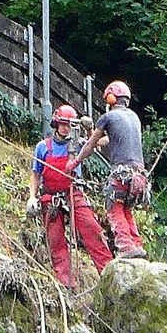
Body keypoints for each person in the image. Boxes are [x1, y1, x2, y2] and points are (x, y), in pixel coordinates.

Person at [27, 104, 113, 288]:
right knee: (56, 240)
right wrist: (32, 197)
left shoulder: (79, 144)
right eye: (63, 124)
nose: (66, 129)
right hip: (50, 197)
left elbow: (101, 141)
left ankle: (109, 274)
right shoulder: (43, 147)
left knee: (92, 230)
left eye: (69, 125)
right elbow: (35, 174)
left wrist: (90, 128)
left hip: (73, 192)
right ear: (56, 124)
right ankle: (64, 283)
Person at [66, 80, 149, 259]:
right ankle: (136, 244)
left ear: (110, 99)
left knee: (114, 208)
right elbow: (105, 142)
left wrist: (76, 161)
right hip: (140, 175)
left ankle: (126, 246)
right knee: (126, 208)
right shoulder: (134, 118)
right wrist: (90, 136)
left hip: (122, 173)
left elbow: (90, 145)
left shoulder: (108, 117)